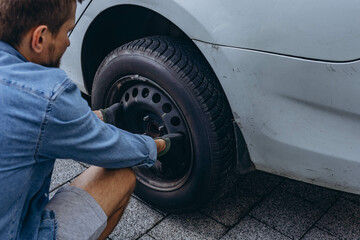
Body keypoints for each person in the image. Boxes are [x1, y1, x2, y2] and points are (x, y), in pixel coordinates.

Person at [0, 0, 170, 239]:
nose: (69, 41)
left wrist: (103, 117)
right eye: (67, 31)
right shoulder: (48, 96)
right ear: (39, 38)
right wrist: (161, 145)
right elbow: (114, 149)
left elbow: (29, 121)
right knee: (121, 177)